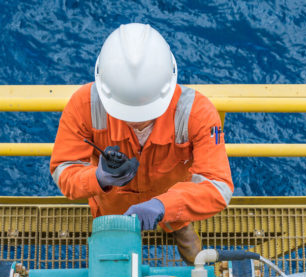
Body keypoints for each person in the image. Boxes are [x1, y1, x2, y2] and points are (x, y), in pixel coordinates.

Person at [49, 23, 233, 264]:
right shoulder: (84, 105)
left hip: (172, 207)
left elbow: (218, 187)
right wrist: (99, 178)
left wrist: (163, 205)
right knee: (112, 267)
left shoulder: (197, 114)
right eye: (128, 113)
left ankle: (182, 235)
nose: (137, 122)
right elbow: (64, 170)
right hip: (113, 209)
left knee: (188, 241)